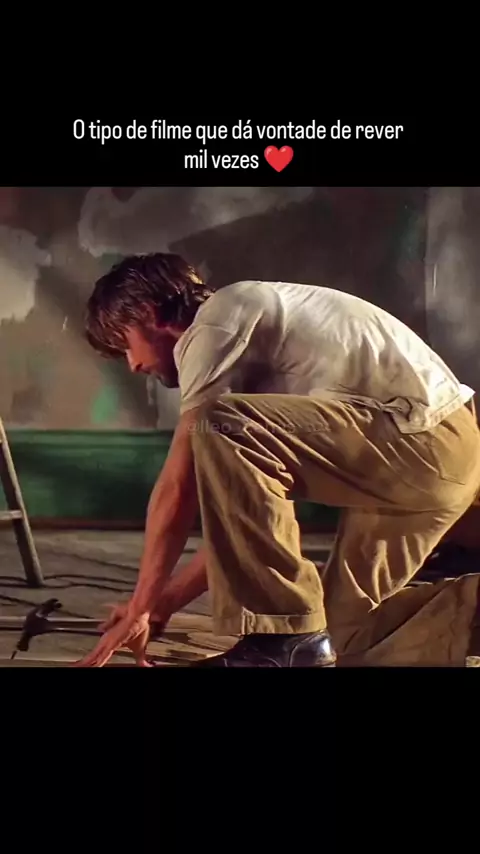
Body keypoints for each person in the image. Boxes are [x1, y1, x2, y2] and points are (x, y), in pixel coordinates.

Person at [74, 252, 480, 667]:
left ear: (148, 312)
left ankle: (281, 639)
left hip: (424, 442)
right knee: (346, 635)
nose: (133, 364)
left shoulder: (218, 320)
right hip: (427, 463)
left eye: (125, 343)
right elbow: (248, 525)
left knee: (216, 424)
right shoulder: (252, 344)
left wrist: (140, 606)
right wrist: (163, 603)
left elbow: (178, 487)